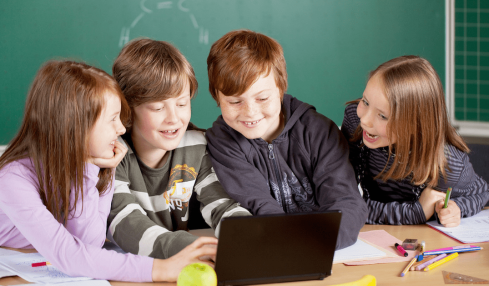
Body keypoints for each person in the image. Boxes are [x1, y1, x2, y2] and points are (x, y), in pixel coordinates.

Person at [0, 60, 217, 283]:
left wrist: (89, 168)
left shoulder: (96, 163)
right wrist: (160, 269)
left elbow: (89, 242)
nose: (122, 129)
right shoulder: (13, 179)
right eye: (112, 119)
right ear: (75, 127)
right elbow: (71, 256)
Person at [205, 29, 367, 250]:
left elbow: (346, 203)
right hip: (270, 249)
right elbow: (258, 205)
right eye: (235, 102)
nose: (250, 112)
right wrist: (289, 245)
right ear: (216, 95)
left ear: (281, 88)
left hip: (326, 248)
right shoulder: (222, 142)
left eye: (262, 98)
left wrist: (315, 244)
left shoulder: (319, 131)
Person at [108, 38, 251, 259]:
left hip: (180, 267)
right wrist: (193, 249)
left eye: (182, 103)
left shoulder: (196, 147)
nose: (174, 118)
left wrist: (246, 234)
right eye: (158, 107)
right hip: (133, 270)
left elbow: (221, 205)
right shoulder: (113, 154)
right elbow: (125, 223)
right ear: (127, 108)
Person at [341, 55, 489, 227]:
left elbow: (482, 192)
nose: (365, 120)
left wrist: (459, 208)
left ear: (416, 125)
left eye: (382, 116)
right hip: (372, 236)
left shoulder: (448, 163)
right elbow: (343, 205)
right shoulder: (355, 122)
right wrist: (416, 212)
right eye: (365, 102)